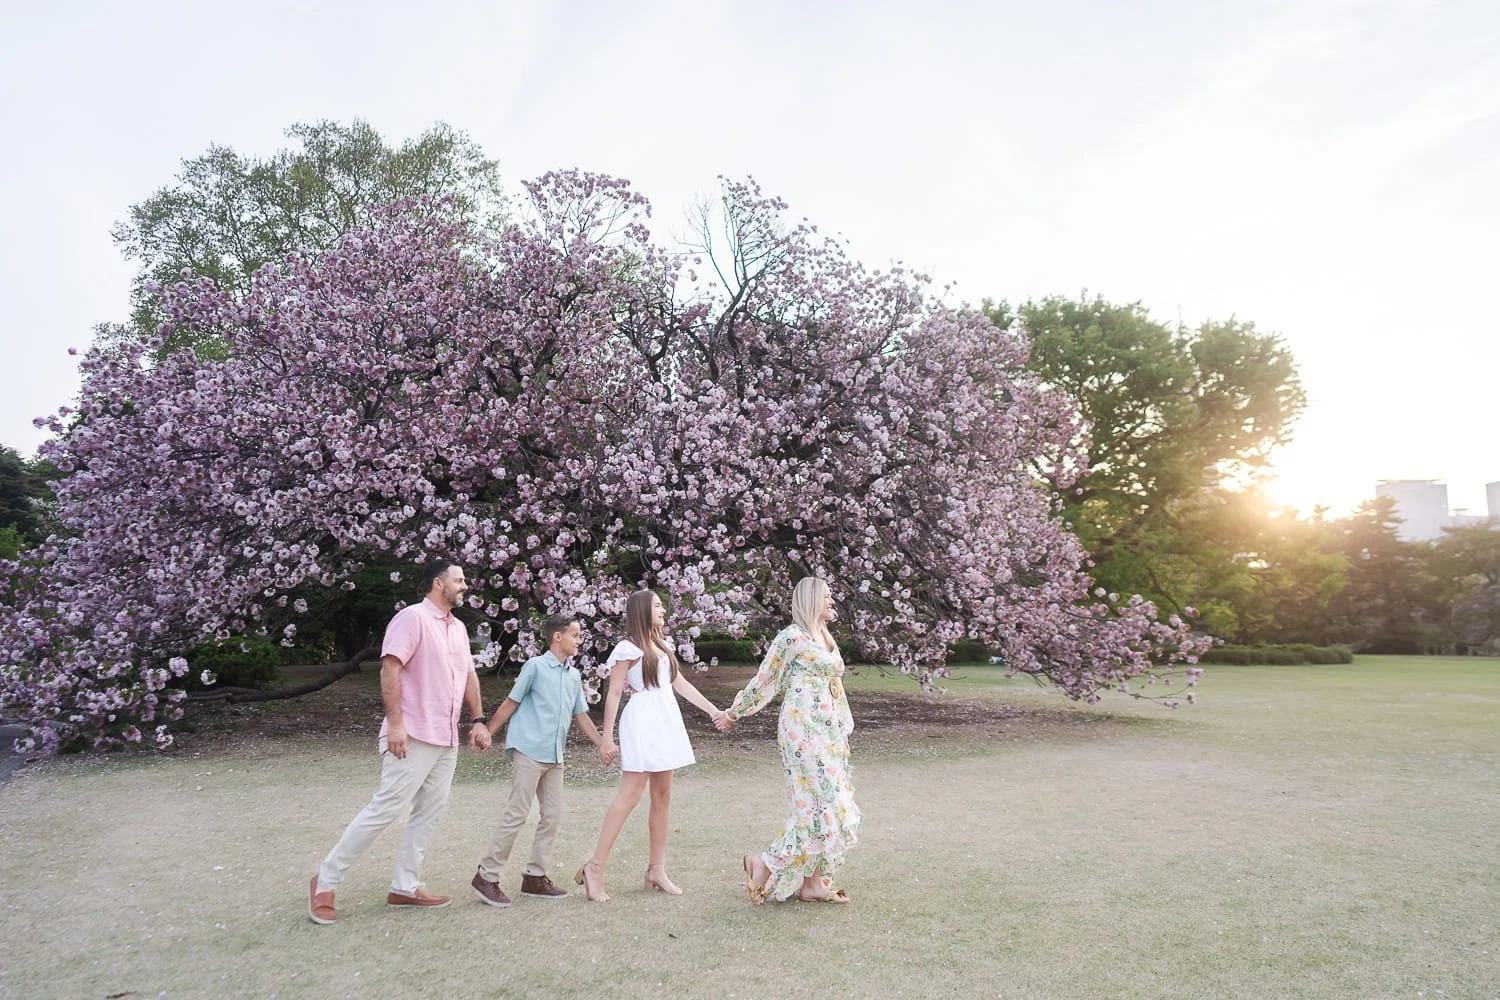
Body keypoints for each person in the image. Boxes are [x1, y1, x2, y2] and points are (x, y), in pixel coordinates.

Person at [308, 558, 491, 924]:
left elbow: (468, 675)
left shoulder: (456, 628)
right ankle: (325, 881)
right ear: (438, 584)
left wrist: (479, 719)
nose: (465, 586)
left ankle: (405, 886)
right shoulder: (412, 618)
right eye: (459, 580)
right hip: (412, 733)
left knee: (429, 812)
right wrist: (395, 725)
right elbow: (390, 667)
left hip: (446, 737)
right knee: (386, 808)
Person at [575, 590, 727, 902]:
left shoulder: (662, 645)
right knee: (629, 795)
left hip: (666, 719)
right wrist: (606, 737)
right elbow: (615, 692)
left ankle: (656, 870)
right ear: (642, 611)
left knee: (663, 795)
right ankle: (594, 867)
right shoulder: (627, 648)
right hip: (642, 720)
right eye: (657, 605)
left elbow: (679, 684)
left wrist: (714, 711)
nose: (663, 609)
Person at [721, 576, 861, 904]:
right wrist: (733, 712)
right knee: (815, 804)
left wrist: (842, 730)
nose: (831, 601)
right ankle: (764, 864)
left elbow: (835, 686)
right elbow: (766, 679)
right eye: (826, 596)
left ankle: (812, 884)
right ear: (811, 600)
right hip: (802, 730)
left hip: (826, 730)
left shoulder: (825, 637)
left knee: (831, 805)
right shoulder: (791, 638)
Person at [469, 611, 608, 906]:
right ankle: (487, 876)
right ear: (557, 636)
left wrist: (602, 743)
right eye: (576, 635)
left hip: (554, 755)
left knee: (553, 816)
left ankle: (534, 877)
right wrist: (489, 731)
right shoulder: (535, 666)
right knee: (517, 813)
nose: (580, 640)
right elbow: (511, 702)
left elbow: (580, 715)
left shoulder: (573, 675)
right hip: (529, 750)